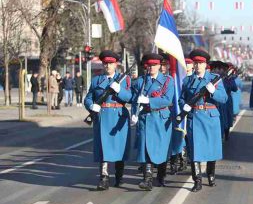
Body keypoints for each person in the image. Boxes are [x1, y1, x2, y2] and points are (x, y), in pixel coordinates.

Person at [179, 49, 228, 192]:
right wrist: (185, 106)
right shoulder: (188, 80)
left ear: (206, 64)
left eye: (201, 63)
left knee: (211, 148)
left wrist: (213, 91)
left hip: (210, 116)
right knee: (195, 150)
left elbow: (223, 99)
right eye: (196, 63)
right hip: (195, 116)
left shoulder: (215, 79)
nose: (198, 65)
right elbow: (182, 98)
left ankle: (211, 175)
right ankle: (197, 180)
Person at [84, 50, 132, 191]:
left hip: (118, 116)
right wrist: (91, 106)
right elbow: (88, 97)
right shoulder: (97, 80)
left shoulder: (124, 79)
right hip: (102, 116)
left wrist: (119, 91)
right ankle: (103, 177)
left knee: (119, 147)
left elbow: (129, 97)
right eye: (105, 63)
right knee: (103, 148)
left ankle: (119, 176)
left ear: (116, 64)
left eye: (110, 63)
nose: (107, 66)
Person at [131, 53, 174, 191]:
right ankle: (147, 179)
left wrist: (150, 101)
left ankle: (161, 175)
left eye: (154, 65)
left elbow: (168, 99)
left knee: (161, 149)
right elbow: (134, 100)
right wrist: (134, 114)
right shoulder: (140, 81)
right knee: (145, 148)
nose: (152, 68)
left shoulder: (168, 81)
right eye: (149, 65)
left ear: (159, 66)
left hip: (161, 118)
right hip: (146, 118)